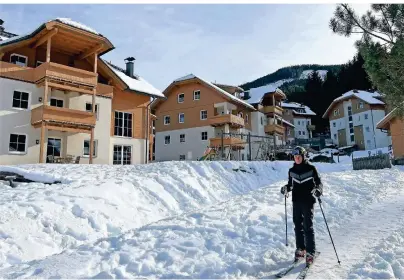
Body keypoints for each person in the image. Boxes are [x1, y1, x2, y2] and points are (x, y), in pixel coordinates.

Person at [280, 146, 323, 266]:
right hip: (296, 201)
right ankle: (301, 249)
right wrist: (285, 188)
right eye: (295, 157)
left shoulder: (311, 168)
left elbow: (319, 183)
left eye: (299, 156)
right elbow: (290, 185)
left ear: (303, 156)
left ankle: (310, 252)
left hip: (308, 201)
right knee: (297, 225)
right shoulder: (292, 171)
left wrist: (318, 190)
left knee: (307, 226)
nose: (297, 158)